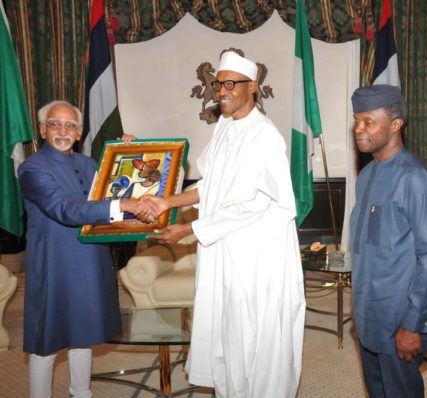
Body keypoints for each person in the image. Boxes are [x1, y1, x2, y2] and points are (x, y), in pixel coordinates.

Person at [139, 51, 306, 398]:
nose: (221, 91)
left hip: (257, 258)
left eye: (231, 84)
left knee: (254, 339)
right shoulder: (225, 128)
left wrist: (189, 229)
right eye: (218, 84)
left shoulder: (265, 136)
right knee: (227, 333)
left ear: (253, 87)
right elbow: (210, 186)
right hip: (225, 250)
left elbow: (259, 203)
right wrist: (167, 201)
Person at [18, 100, 145, 398]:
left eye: (70, 125)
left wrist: (130, 154)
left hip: (90, 260)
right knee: (45, 343)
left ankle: (81, 393)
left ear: (78, 133)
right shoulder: (32, 168)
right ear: (41, 130)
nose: (63, 131)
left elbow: (122, 191)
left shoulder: (89, 165)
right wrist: (120, 204)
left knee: (82, 335)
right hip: (54, 265)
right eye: (54, 124)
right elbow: (66, 210)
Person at [349, 84, 427, 397]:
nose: (359, 129)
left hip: (398, 320)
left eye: (368, 122)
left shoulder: (415, 179)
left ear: (395, 124)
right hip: (368, 314)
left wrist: (414, 324)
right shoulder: (365, 177)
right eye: (357, 121)